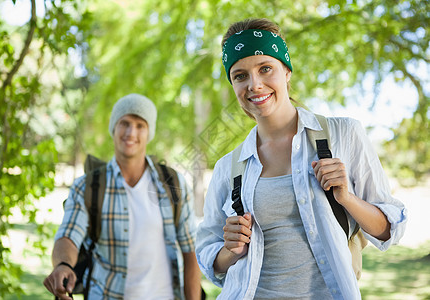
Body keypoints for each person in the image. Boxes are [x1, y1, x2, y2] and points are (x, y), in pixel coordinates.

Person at [195, 18, 407, 299]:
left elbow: (389, 231)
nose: (254, 85)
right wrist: (229, 249)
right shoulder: (229, 167)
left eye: (265, 69)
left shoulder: (343, 134)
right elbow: (210, 258)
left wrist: (347, 198)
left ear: (286, 71)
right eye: (240, 75)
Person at [44, 94, 202, 300]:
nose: (131, 132)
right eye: (124, 123)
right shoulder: (88, 187)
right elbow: (68, 236)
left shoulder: (172, 183)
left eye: (140, 126)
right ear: (114, 128)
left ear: (149, 132)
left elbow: (191, 254)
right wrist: (63, 265)